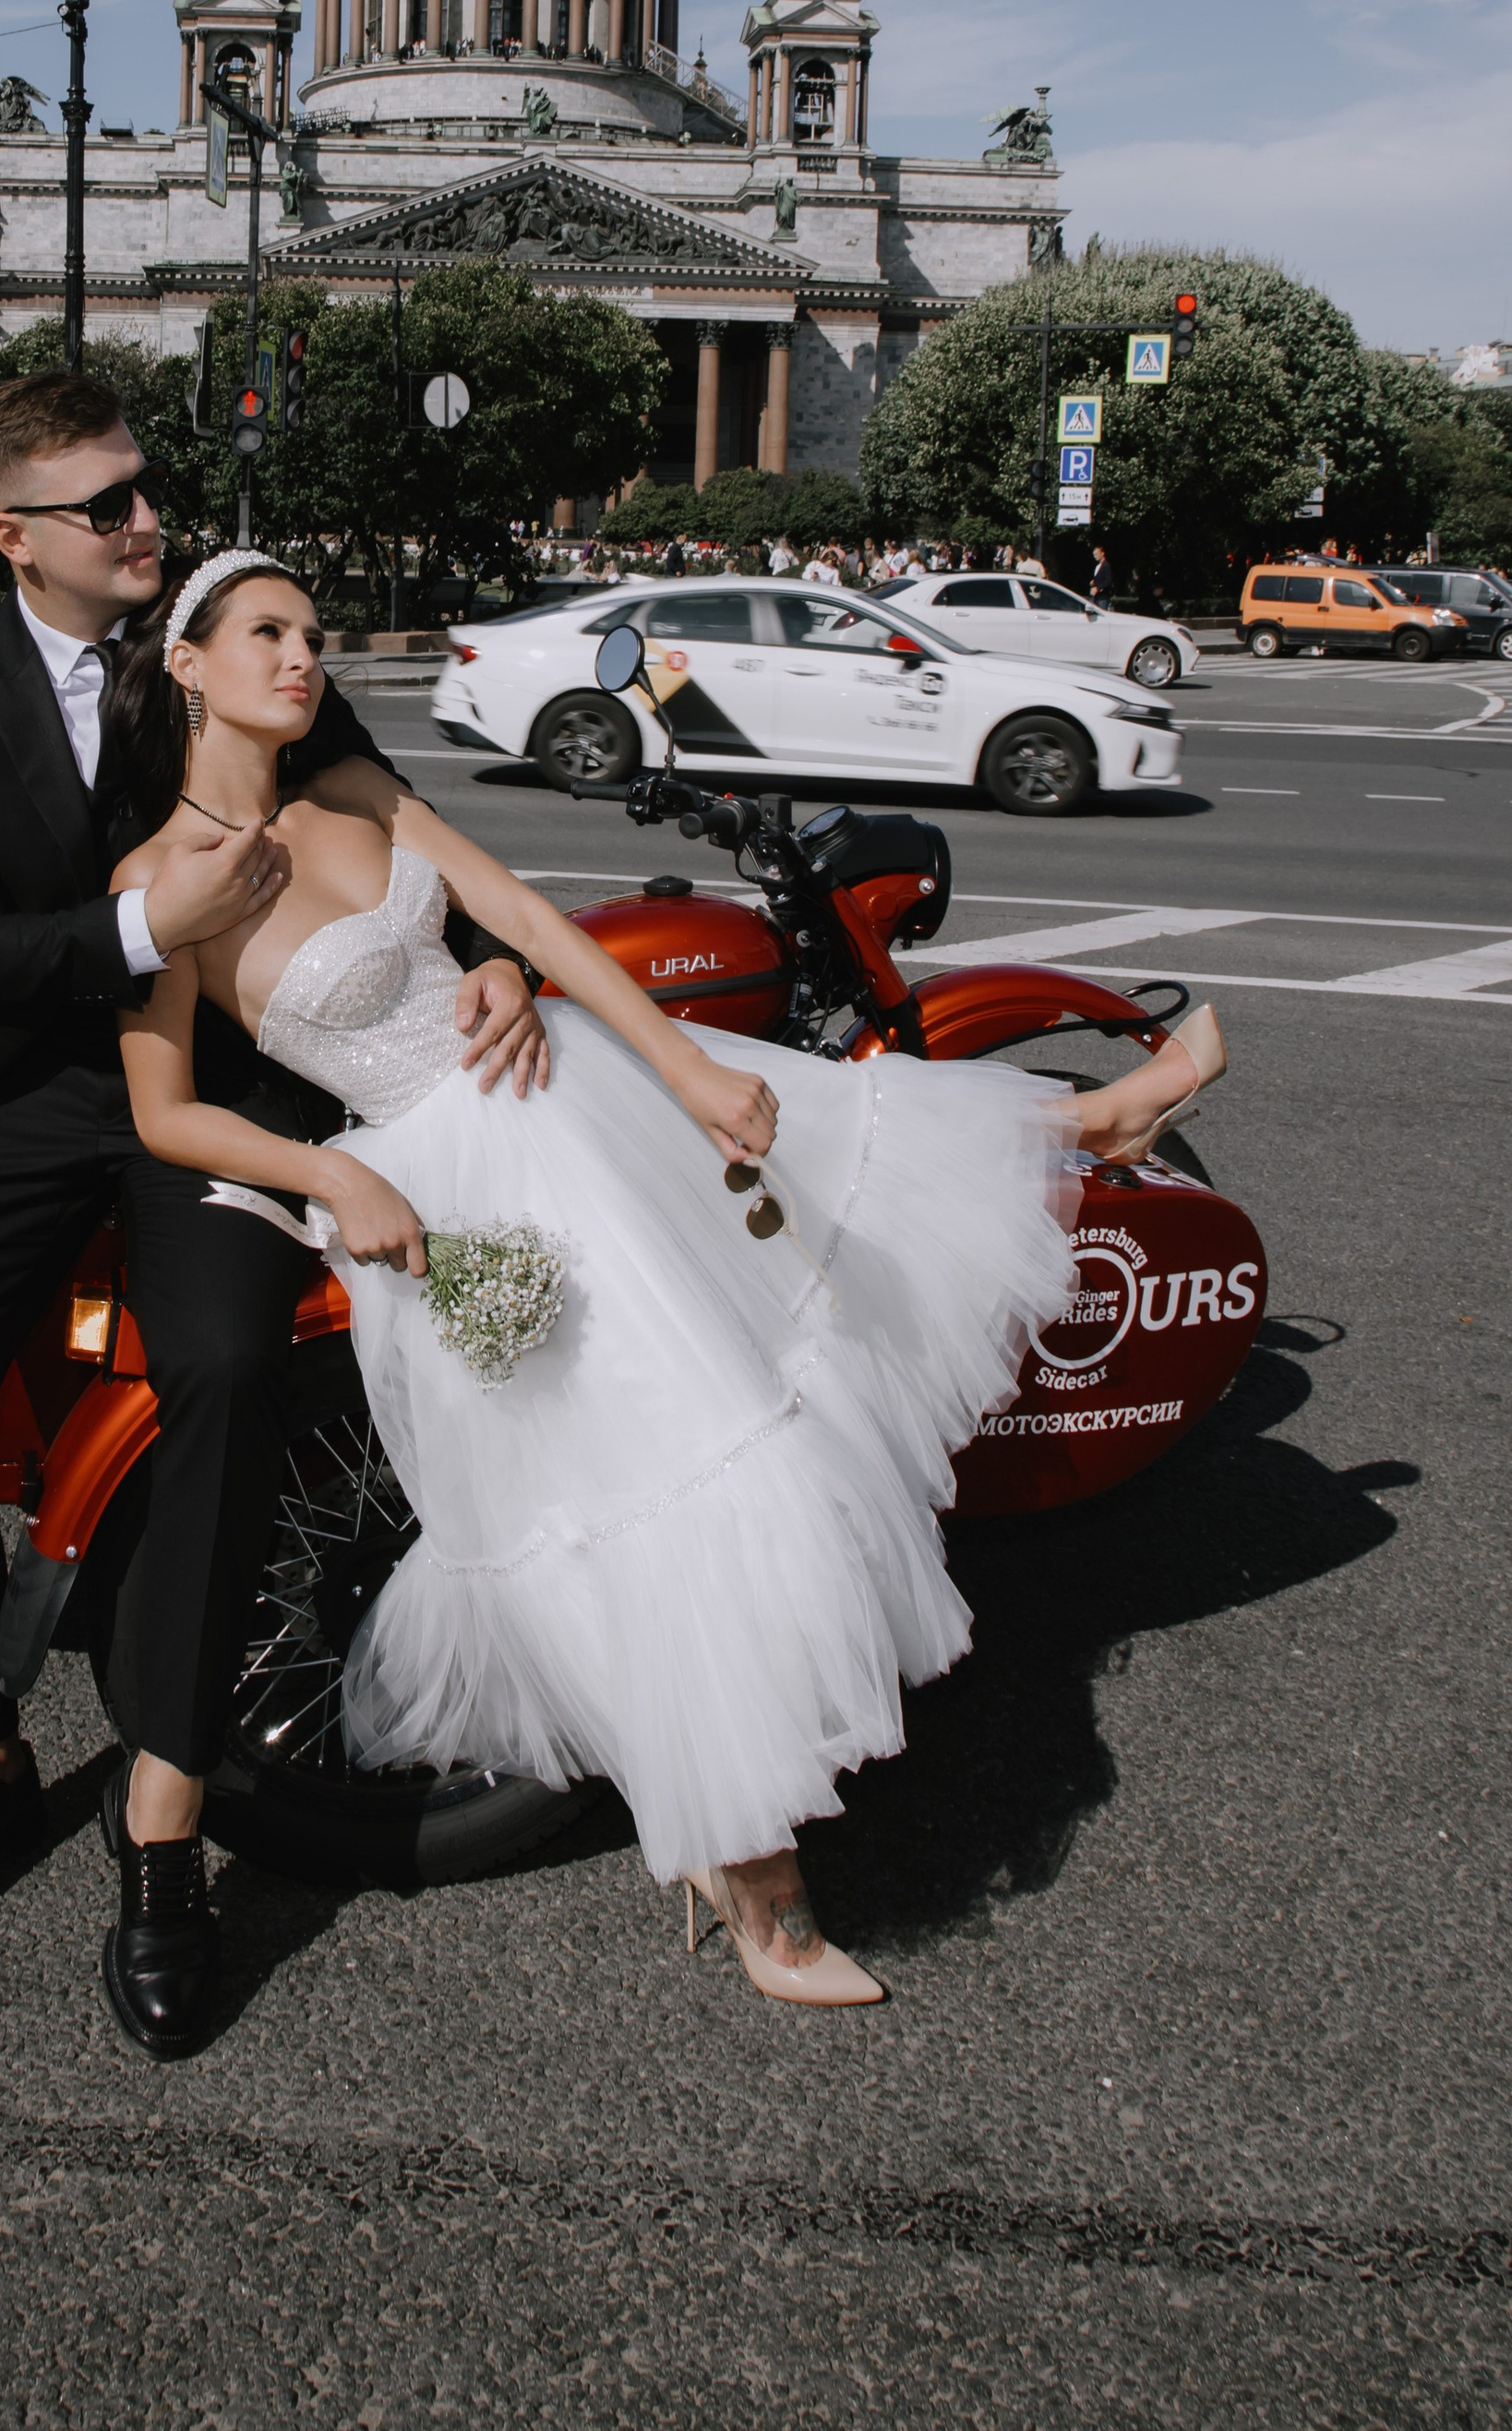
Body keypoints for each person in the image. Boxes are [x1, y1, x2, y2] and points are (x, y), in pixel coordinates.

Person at [109, 554, 1228, 2012]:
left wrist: (684, 1064)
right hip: (443, 1182)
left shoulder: (359, 799)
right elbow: (165, 1112)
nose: (303, 658)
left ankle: (1080, 1121)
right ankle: (754, 1881)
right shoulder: (155, 882)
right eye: (268, 634)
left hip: (565, 1098)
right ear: (187, 665)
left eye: (313, 636)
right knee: (653, 1487)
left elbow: (537, 923)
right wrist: (333, 1177)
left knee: (796, 1238)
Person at [0, 377, 547, 2059]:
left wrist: (505, 955)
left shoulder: (233, 641)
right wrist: (142, 923)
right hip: (36, 1090)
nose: (142, 522)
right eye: (105, 507)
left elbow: (398, 821)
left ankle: (164, 1814)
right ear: (10, 536)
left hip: (227, 1100)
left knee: (230, 1365)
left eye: (145, 492)